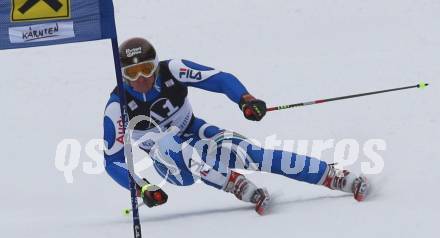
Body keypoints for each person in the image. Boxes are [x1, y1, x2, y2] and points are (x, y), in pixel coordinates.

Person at [103, 37, 368, 215]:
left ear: (155, 65)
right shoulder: (117, 104)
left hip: (195, 131)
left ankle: (331, 176)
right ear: (123, 75)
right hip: (171, 166)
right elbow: (112, 160)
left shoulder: (172, 69)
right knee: (169, 144)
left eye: (147, 69)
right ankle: (233, 183)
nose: (142, 79)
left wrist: (245, 100)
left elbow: (219, 79)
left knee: (251, 154)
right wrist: (142, 187)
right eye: (132, 74)